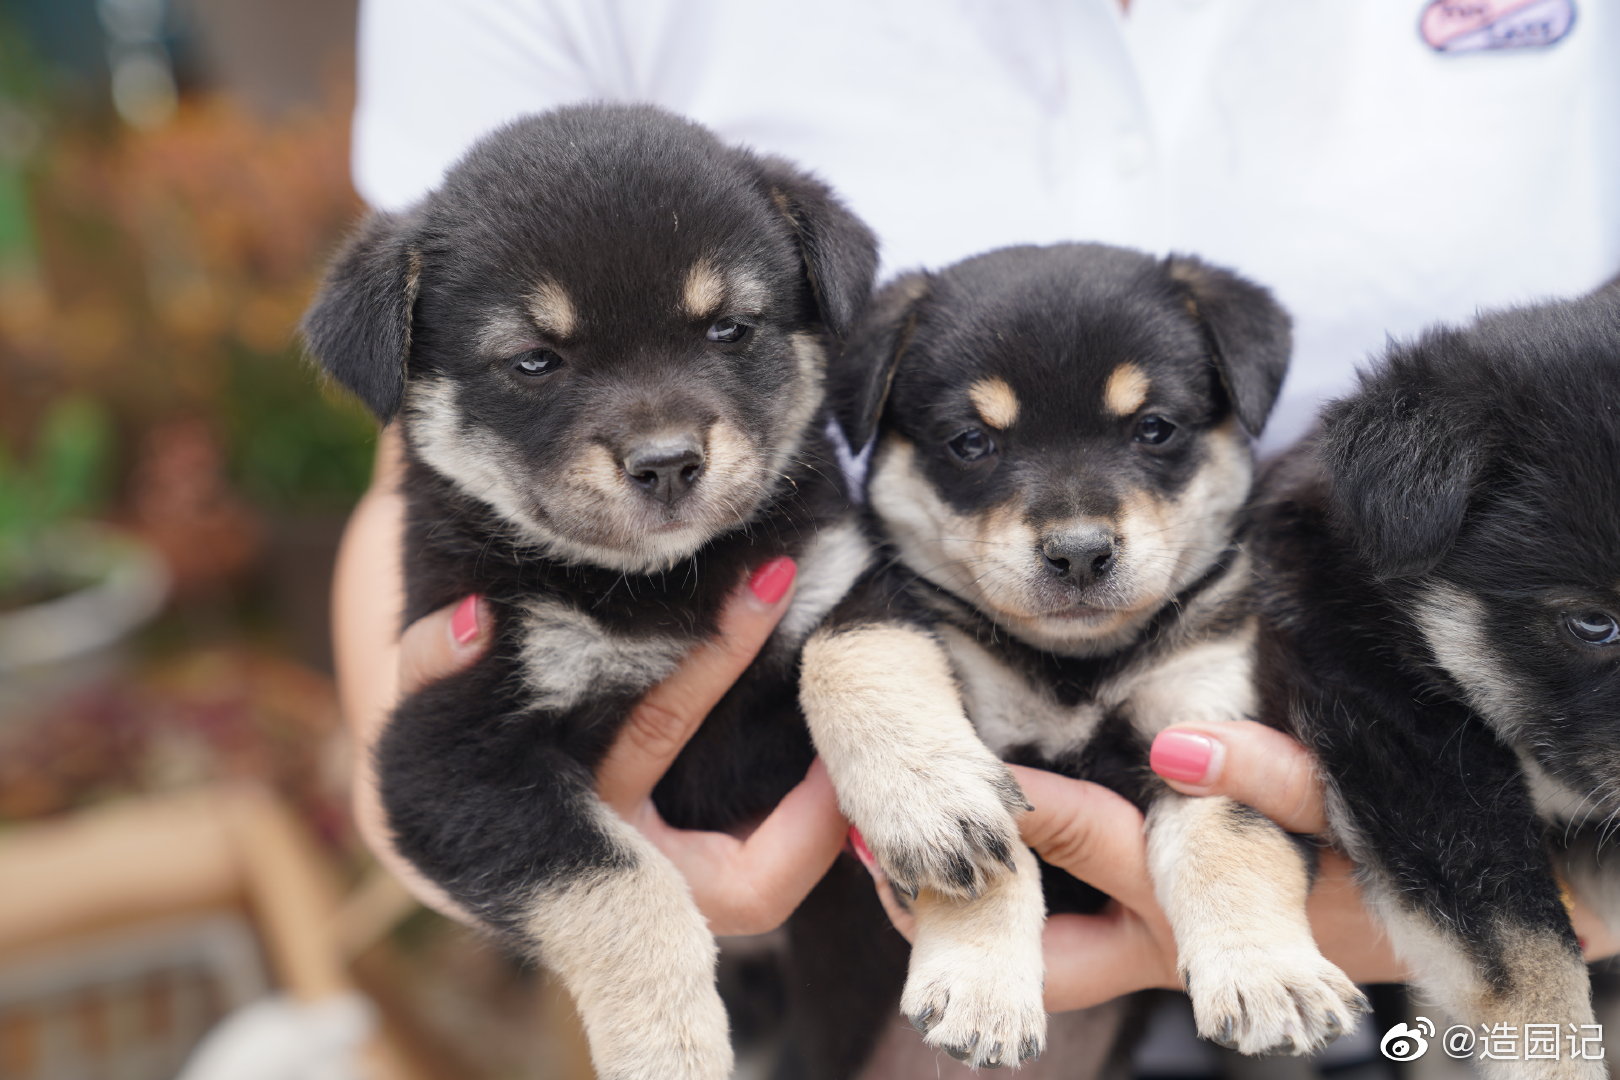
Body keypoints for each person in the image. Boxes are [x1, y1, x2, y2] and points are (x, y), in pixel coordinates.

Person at [333, 1, 1620, 1075]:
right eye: (969, 443)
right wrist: (601, 897)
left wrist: (1502, 915)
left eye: (729, 333)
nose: (661, 438)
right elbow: (414, 494)